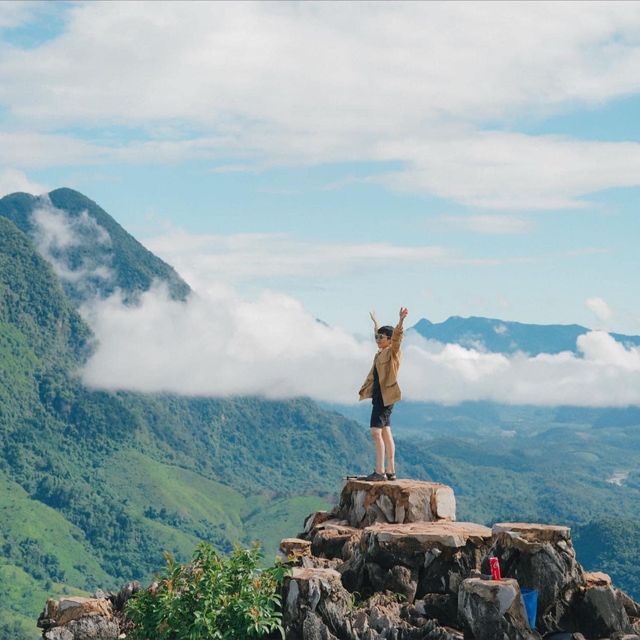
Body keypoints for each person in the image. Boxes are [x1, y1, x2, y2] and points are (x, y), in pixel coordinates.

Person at [358, 307, 408, 481]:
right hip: (381, 396)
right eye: (376, 337)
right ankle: (391, 471)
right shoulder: (381, 352)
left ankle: (379, 472)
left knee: (375, 432)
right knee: (386, 431)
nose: (378, 340)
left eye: (381, 337)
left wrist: (400, 321)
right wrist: (375, 322)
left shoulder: (393, 352)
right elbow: (383, 335)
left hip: (385, 398)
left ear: (389, 339)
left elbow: (397, 337)